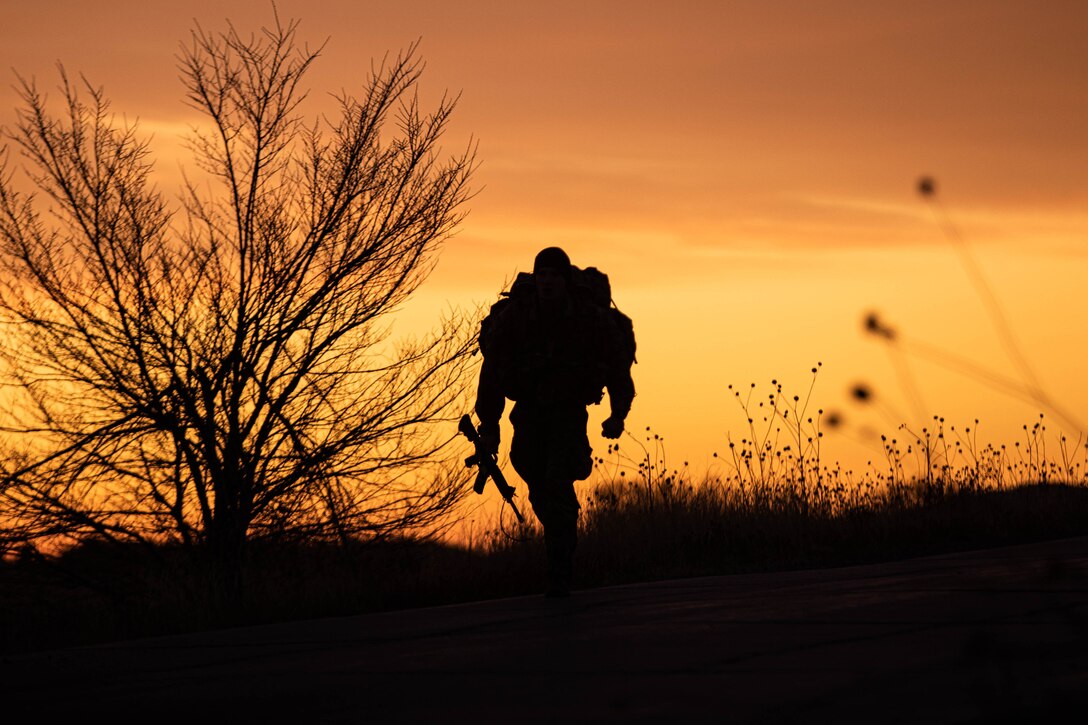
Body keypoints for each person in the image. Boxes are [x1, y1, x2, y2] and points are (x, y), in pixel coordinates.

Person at [475, 246, 635, 597]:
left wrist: (617, 415)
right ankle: (561, 535)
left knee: (557, 481)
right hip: (529, 413)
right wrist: (490, 426)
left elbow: (617, 368)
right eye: (542, 275)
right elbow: (494, 369)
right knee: (535, 478)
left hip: (567, 414)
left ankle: (560, 570)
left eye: (554, 275)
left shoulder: (587, 317)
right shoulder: (517, 315)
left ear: (564, 280)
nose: (547, 281)